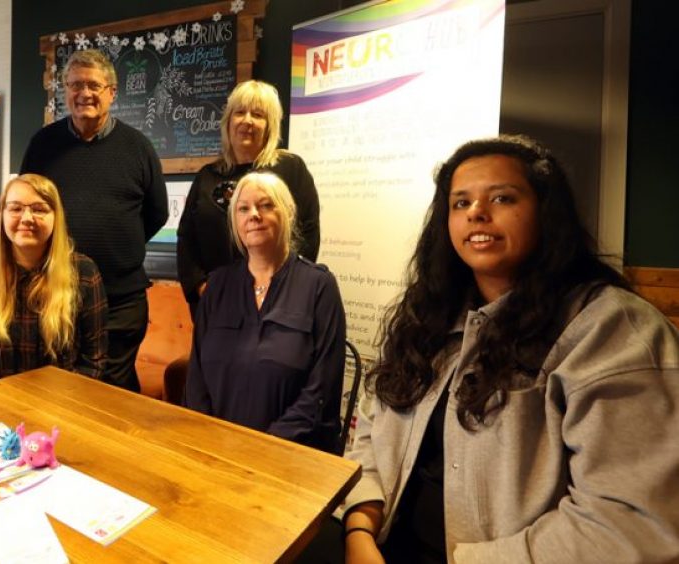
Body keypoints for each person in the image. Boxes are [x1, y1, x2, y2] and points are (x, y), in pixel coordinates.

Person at [342, 135, 679, 563]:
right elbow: (372, 430)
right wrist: (358, 530)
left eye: (502, 198)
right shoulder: (427, 319)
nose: (477, 213)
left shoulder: (611, 330)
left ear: (545, 212)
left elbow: (630, 524)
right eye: (461, 203)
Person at [20, 49, 168, 393]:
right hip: (57, 293)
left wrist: (118, 245)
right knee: (60, 385)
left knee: (112, 389)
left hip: (122, 297)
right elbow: (28, 204)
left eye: (93, 85)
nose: (84, 93)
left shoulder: (138, 147)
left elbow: (157, 213)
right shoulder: (43, 144)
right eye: (75, 85)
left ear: (111, 93)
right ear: (65, 90)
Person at [185, 172, 345, 452]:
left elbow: (322, 390)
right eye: (243, 208)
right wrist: (209, 438)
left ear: (288, 213)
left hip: (292, 453)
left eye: (266, 205)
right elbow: (196, 379)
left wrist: (265, 447)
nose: (253, 215)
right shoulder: (218, 286)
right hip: (216, 449)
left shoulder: (319, 286)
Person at [178, 80, 320, 317]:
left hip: (276, 304)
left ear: (270, 125)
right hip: (216, 305)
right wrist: (200, 287)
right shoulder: (207, 176)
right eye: (240, 112)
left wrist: (286, 287)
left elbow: (308, 233)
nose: (247, 121)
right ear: (228, 121)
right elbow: (187, 237)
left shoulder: (291, 169)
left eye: (258, 114)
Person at [0, 174, 107, 385]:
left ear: (56, 217)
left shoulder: (83, 273)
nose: (27, 218)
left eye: (39, 209)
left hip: (63, 405)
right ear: (1, 215)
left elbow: (93, 362)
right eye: (16, 208)